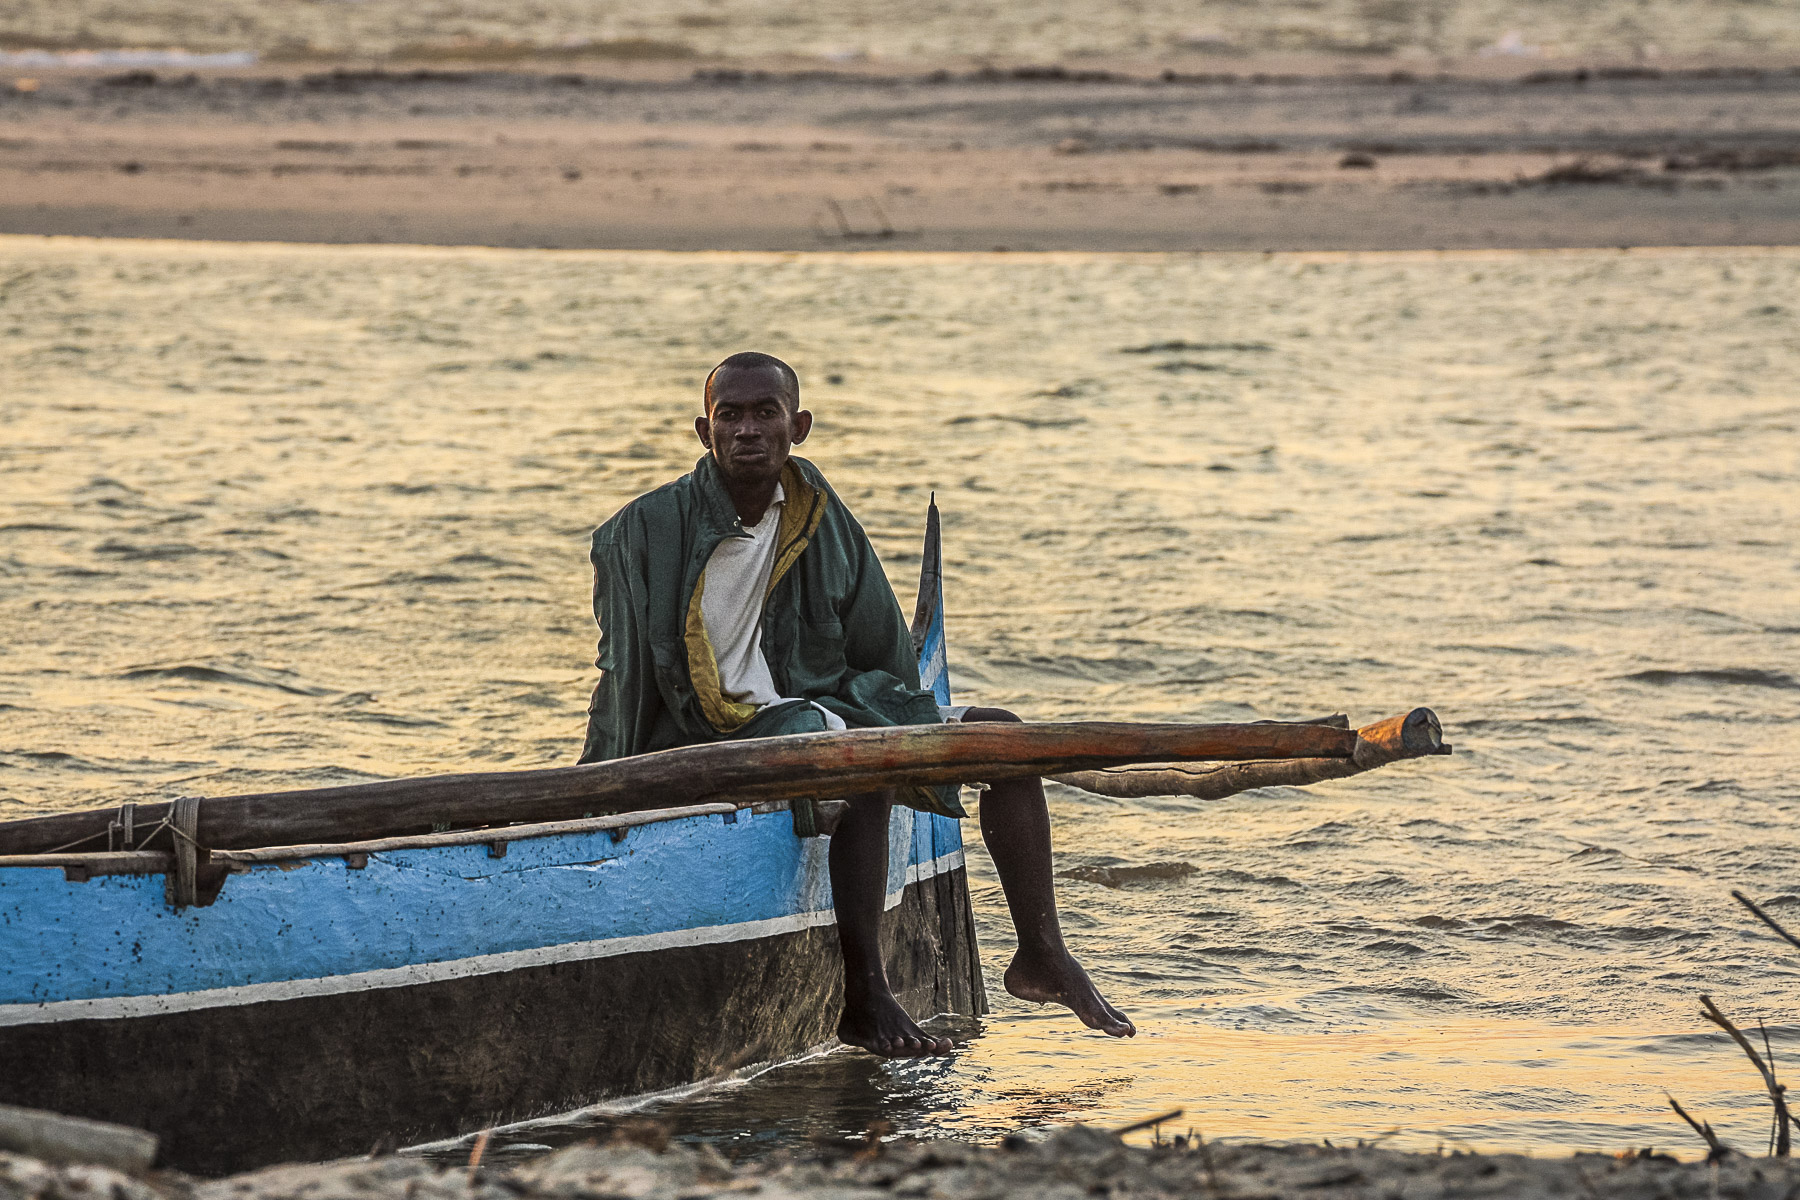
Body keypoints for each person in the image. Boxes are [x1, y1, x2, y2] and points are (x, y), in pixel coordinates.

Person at [579, 351, 1133, 1058]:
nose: (747, 430)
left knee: (1006, 740)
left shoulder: (817, 514)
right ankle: (866, 995)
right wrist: (600, 786)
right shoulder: (643, 530)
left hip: (818, 705)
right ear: (702, 430)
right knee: (863, 760)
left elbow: (881, 646)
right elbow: (622, 672)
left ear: (799, 426)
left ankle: (1042, 953)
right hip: (722, 727)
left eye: (766, 413)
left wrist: (918, 727)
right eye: (730, 415)